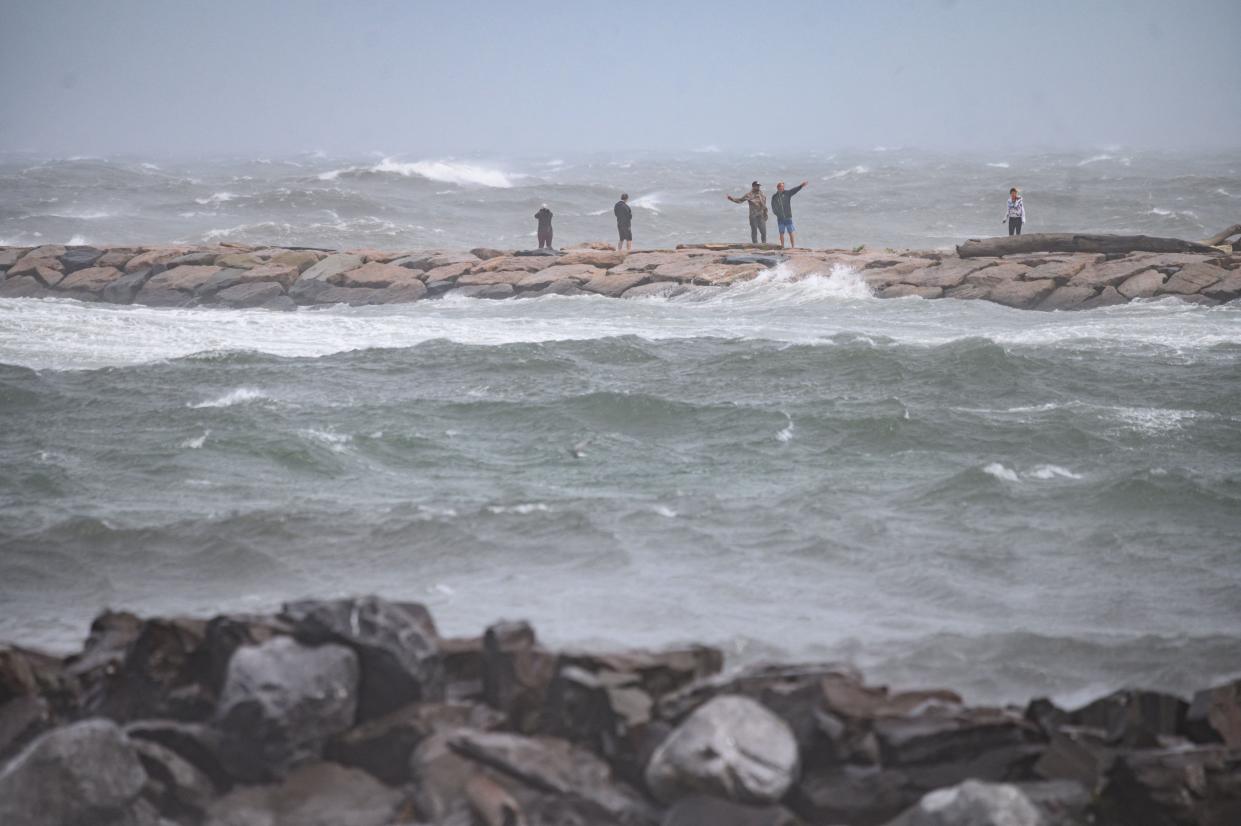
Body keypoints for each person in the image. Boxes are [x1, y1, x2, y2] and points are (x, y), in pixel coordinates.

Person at [770, 180, 808, 248]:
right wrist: (777, 214)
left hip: (788, 217)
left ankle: (793, 247)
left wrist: (801, 186)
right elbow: (773, 206)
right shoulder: (774, 196)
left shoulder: (787, 193)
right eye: (780, 187)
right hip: (780, 218)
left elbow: (794, 190)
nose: (782, 188)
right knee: (781, 233)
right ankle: (782, 246)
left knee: (790, 232)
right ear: (777, 187)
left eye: (782, 187)